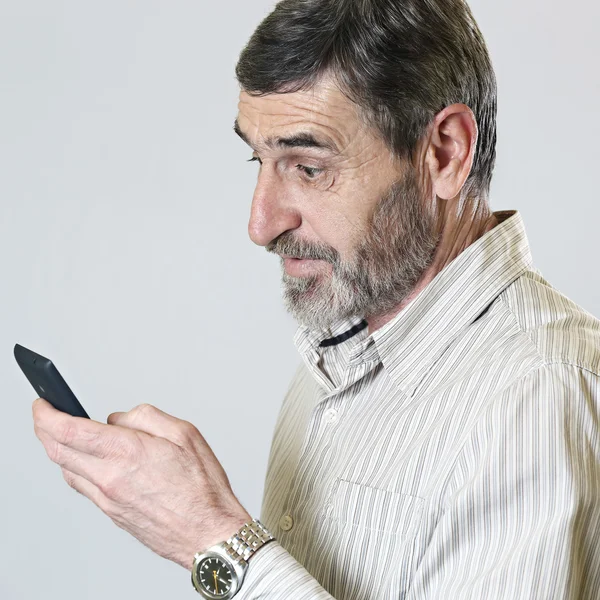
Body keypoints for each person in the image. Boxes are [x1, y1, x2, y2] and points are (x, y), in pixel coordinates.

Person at [32, 0, 600, 599]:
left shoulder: (539, 394)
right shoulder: (343, 339)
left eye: (307, 166)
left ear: (444, 153)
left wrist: (215, 540)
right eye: (260, 159)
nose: (260, 223)